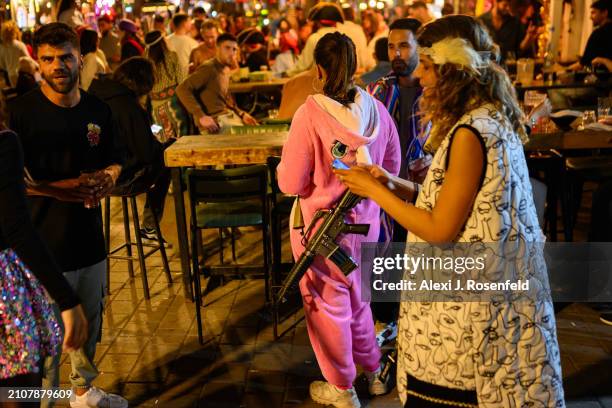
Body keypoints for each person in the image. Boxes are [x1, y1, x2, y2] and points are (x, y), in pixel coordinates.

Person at [335, 15, 565, 407]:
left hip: (470, 324)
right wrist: (396, 183)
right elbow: (465, 201)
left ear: (451, 70)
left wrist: (374, 190)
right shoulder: (486, 118)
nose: (421, 77)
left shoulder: (469, 134)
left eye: (427, 66)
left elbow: (441, 228)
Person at [277, 32, 401, 408]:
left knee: (327, 308)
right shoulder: (376, 112)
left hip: (321, 231)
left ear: (318, 69)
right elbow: (391, 167)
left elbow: (290, 182)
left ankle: (342, 387)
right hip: (369, 226)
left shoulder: (309, 115)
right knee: (360, 302)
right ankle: (374, 373)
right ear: (355, 66)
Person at [8, 22, 127, 408]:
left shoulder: (98, 110)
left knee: (88, 326)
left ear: (80, 58)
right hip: (40, 246)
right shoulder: (20, 115)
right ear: (38, 64)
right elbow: (14, 183)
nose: (57, 66)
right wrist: (70, 187)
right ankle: (44, 401)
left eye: (65, 57)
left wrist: (108, 177)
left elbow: (116, 159)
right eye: (48, 59)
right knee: (46, 339)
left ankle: (82, 392)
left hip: (89, 240)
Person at [0, 95, 88, 407]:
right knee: (18, 393)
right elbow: (17, 229)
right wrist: (67, 300)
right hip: (4, 291)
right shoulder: (4, 142)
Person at [89, 57, 172, 244]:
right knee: (166, 160)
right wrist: (166, 145)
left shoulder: (96, 95)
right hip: (121, 179)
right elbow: (146, 152)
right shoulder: (129, 106)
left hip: (96, 177)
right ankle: (150, 226)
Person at [176, 33, 258, 133]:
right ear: (217, 48)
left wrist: (241, 114)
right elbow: (182, 89)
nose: (232, 53)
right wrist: (201, 116)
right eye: (227, 48)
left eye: (234, 49)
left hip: (228, 117)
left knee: (258, 129)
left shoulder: (225, 68)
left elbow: (226, 99)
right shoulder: (209, 68)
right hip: (216, 123)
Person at [145, 30, 189, 140]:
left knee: (162, 138)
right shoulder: (172, 56)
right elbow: (182, 81)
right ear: (162, 42)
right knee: (182, 137)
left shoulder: (145, 61)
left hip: (155, 106)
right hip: (174, 103)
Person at [285, 2, 344, 77]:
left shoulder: (315, 38)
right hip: (341, 83)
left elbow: (303, 66)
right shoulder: (343, 37)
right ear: (335, 22)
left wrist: (286, 73)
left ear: (318, 23)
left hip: (319, 85)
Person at [570, 0, 612, 70]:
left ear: (604, 13)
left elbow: (582, 64)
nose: (590, 17)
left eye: (593, 13)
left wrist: (564, 70)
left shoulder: (598, 34)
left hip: (602, 79)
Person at [166, 13, 199, 77]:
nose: (191, 24)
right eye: (189, 22)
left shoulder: (166, 41)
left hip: (169, 78)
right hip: (185, 79)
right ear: (185, 24)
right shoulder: (192, 43)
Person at [340, 5, 370, 72]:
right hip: (355, 69)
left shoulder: (337, 28)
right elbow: (362, 51)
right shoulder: (358, 29)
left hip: (340, 69)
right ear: (353, 15)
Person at [0, 21, 29, 87]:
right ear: (15, 31)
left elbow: (1, 65)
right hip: (22, 77)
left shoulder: (2, 47)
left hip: (9, 78)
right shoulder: (20, 45)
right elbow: (28, 60)